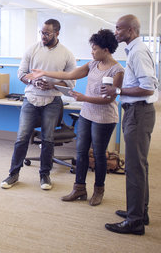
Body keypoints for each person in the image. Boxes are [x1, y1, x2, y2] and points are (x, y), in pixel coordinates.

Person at [25, 29, 124, 206]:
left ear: (106, 49)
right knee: (81, 152)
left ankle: (98, 190)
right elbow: (69, 75)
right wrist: (44, 73)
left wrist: (83, 98)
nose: (92, 52)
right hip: (86, 114)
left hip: (105, 117)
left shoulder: (117, 71)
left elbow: (109, 99)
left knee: (99, 155)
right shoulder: (92, 64)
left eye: (95, 49)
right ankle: (79, 189)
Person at [0, 19, 76, 190]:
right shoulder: (32, 49)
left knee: (47, 139)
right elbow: (21, 74)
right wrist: (33, 82)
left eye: (47, 33)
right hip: (31, 98)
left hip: (52, 100)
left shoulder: (66, 54)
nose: (43, 36)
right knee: (22, 137)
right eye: (42, 32)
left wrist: (52, 85)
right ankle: (13, 174)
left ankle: (45, 175)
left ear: (57, 33)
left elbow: (71, 82)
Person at [102, 14, 158, 236]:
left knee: (135, 167)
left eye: (118, 29)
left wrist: (117, 91)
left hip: (139, 112)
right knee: (139, 165)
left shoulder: (138, 52)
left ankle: (135, 222)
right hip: (137, 112)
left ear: (130, 31)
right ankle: (139, 213)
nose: (115, 32)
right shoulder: (134, 50)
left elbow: (148, 87)